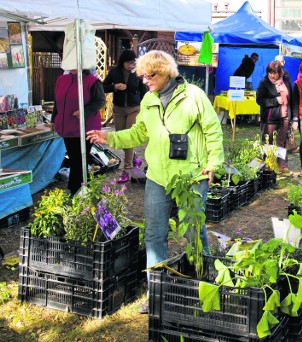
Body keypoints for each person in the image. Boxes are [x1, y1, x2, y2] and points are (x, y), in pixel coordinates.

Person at [86, 50, 224, 314]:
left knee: (193, 231)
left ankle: (205, 281)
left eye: (149, 75)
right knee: (154, 235)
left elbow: (212, 130)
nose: (145, 80)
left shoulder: (194, 96)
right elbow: (139, 132)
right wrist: (110, 139)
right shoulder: (148, 99)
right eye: (142, 76)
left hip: (191, 176)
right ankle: (156, 291)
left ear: (165, 72)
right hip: (158, 177)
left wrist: (212, 163)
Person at [52, 69, 106, 195]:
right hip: (67, 126)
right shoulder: (62, 80)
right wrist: (53, 119)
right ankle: (77, 189)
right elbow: (57, 102)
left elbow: (100, 101)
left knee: (80, 160)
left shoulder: (92, 81)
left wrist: (84, 111)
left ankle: (77, 190)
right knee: (74, 159)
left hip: (86, 128)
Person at [102, 50, 148, 183]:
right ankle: (135, 158)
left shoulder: (138, 73)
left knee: (128, 138)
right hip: (118, 109)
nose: (131, 65)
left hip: (134, 108)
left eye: (133, 62)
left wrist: (144, 108)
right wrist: (114, 86)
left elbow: (144, 92)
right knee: (121, 138)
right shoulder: (114, 72)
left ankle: (127, 169)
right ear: (122, 62)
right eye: (129, 63)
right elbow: (103, 87)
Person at [256, 61, 292, 172]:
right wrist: (275, 101)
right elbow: (259, 100)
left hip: (284, 116)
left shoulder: (285, 81)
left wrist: (292, 117)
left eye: (275, 73)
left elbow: (291, 98)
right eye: (270, 72)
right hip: (269, 118)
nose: (272, 75)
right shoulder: (264, 83)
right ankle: (267, 166)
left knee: (281, 142)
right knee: (268, 142)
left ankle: (282, 165)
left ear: (280, 72)